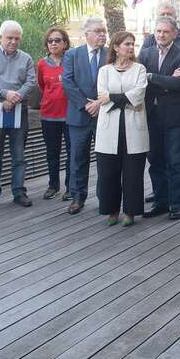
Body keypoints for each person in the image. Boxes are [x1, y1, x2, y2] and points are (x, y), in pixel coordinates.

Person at [0, 20, 37, 209]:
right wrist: (5, 94)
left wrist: (14, 98)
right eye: (9, 38)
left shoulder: (26, 58)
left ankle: (19, 193)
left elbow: (31, 82)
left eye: (17, 38)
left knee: (19, 156)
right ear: (0, 37)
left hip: (19, 111)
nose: (13, 41)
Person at [139, 16, 180, 220]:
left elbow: (178, 84)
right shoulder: (145, 54)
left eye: (165, 31)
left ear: (175, 34)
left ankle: (177, 204)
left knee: (175, 162)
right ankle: (160, 202)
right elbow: (139, 81)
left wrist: (152, 77)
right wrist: (167, 80)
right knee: (155, 161)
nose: (161, 35)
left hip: (175, 118)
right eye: (158, 31)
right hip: (151, 116)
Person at [94, 31, 148, 226]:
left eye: (133, 44)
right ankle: (112, 211)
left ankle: (130, 212)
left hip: (134, 127)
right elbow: (102, 96)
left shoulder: (140, 69)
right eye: (127, 44)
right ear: (116, 47)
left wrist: (113, 97)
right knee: (108, 173)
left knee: (133, 173)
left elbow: (138, 95)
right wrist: (123, 98)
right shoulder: (105, 71)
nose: (131, 47)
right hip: (109, 128)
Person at [62, 17, 108, 214]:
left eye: (104, 31)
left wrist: (99, 104)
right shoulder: (72, 54)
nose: (102, 34)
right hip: (79, 116)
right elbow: (67, 82)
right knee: (78, 158)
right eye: (98, 31)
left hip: (104, 115)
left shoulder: (110, 54)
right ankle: (77, 197)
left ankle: (104, 199)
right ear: (86, 34)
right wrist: (86, 104)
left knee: (104, 159)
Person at [37, 27, 72, 200]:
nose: (53, 43)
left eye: (57, 40)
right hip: (49, 116)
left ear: (65, 43)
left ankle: (71, 187)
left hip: (70, 115)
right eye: (50, 41)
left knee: (72, 153)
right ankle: (53, 186)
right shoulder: (42, 64)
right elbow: (41, 86)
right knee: (52, 153)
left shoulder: (72, 60)